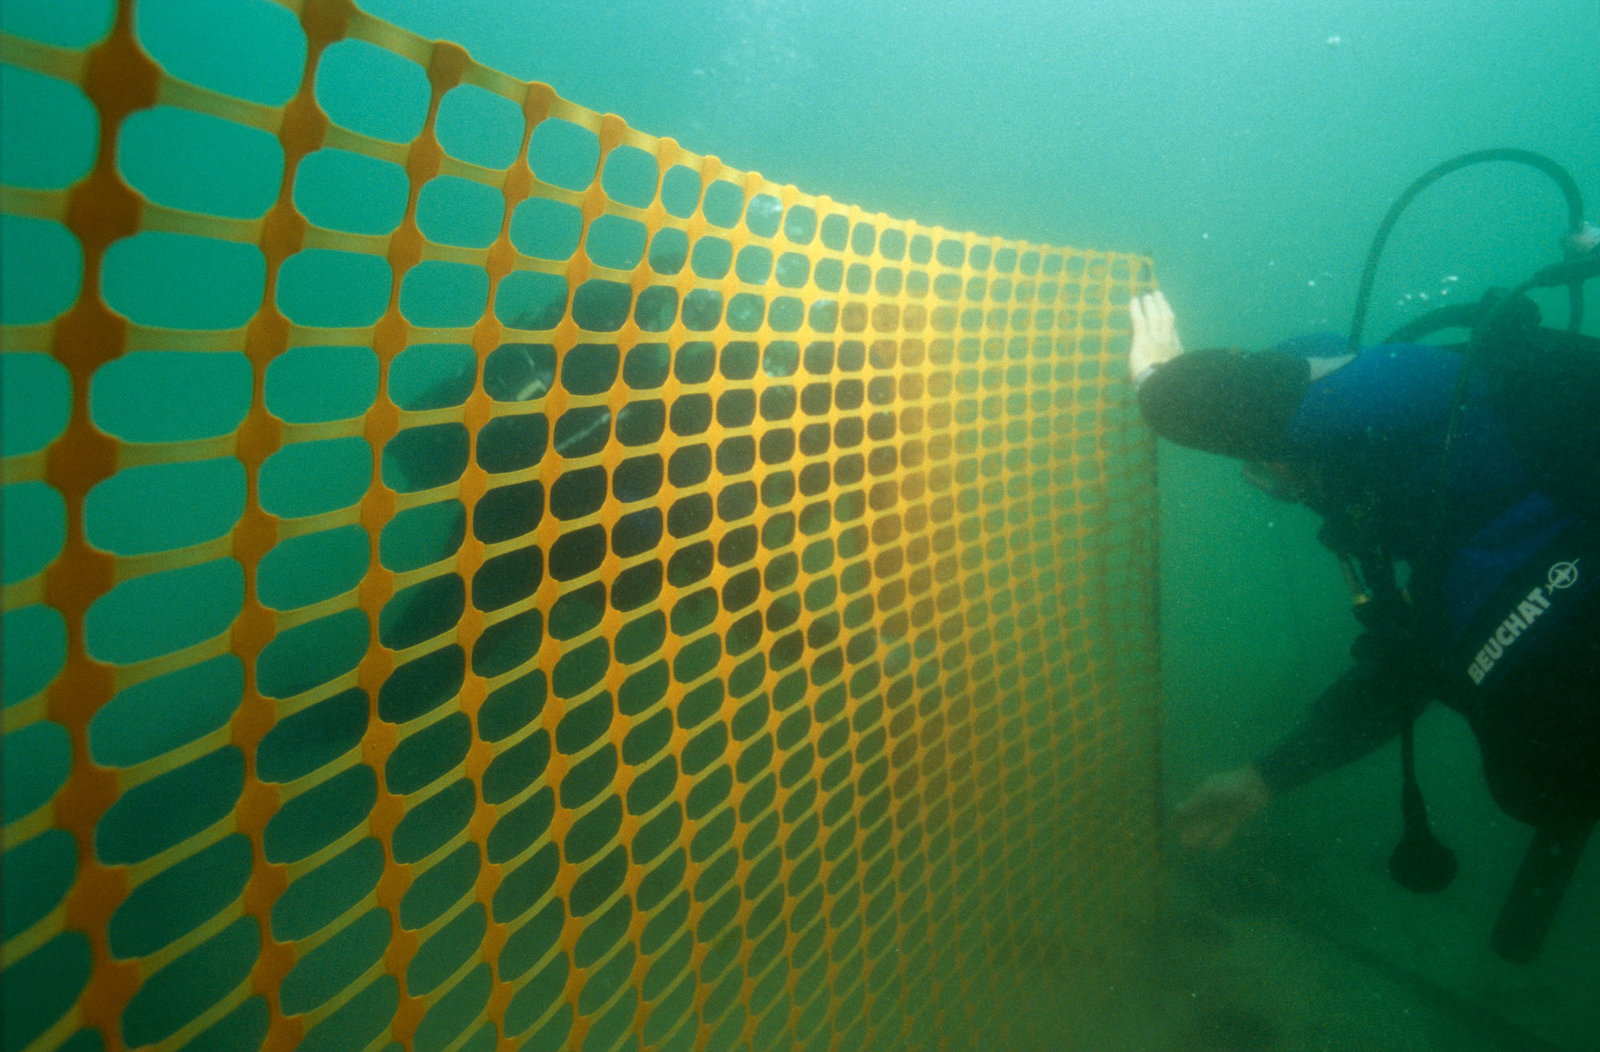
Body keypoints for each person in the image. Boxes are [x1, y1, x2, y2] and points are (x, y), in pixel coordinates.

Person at [1128, 289, 1600, 958]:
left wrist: (1160, 383)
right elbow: (1406, 675)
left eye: (1270, 465)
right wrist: (1267, 777)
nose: (1279, 486)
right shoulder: (1417, 522)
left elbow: (1300, 401)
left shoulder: (1432, 386)